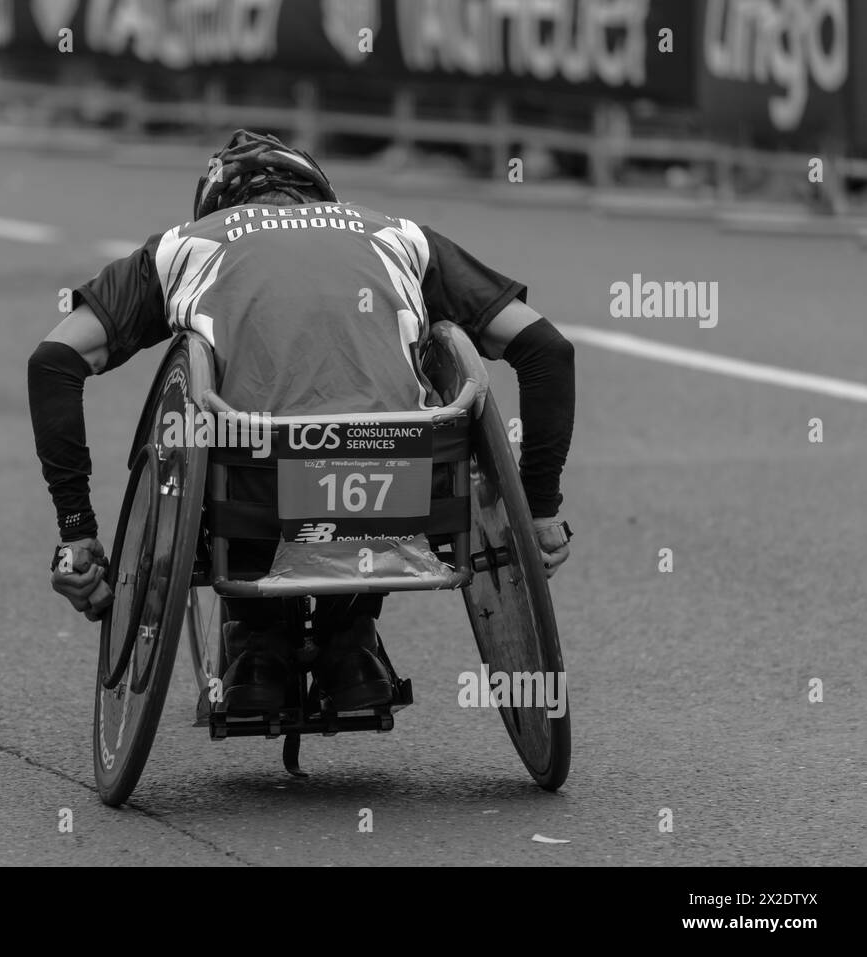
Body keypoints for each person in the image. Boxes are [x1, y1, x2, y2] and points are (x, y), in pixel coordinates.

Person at [28, 129, 574, 714]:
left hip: (253, 503)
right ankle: (350, 642)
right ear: (321, 197)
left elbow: (54, 363)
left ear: (216, 207)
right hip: (404, 495)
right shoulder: (398, 236)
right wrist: (539, 510)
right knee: (375, 441)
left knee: (227, 445)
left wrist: (77, 531)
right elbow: (548, 351)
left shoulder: (183, 247)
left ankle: (258, 650)